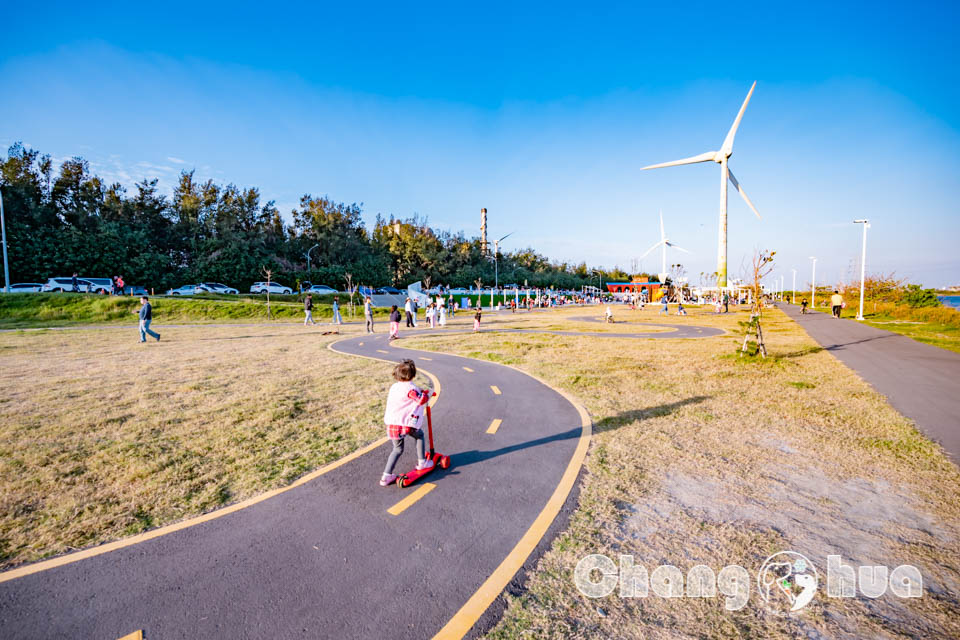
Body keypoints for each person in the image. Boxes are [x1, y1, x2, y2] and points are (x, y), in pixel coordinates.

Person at [380, 359, 433, 486]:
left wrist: (418, 390)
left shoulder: (395, 387)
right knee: (419, 435)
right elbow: (420, 400)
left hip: (392, 424)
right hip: (406, 424)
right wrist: (426, 395)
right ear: (413, 375)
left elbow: (408, 394)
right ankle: (422, 462)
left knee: (397, 449)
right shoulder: (410, 389)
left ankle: (386, 476)